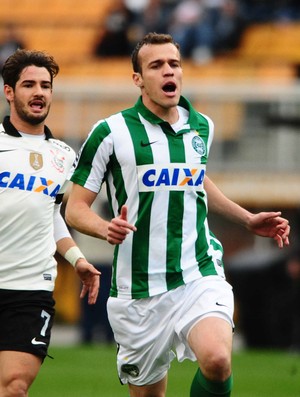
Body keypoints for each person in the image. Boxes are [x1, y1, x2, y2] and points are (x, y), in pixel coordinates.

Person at [65, 33, 290, 397]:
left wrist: (246, 218)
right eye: (156, 65)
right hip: (138, 290)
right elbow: (74, 208)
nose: (169, 71)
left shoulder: (201, 126)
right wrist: (106, 228)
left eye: (174, 63)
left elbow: (194, 179)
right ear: (138, 79)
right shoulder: (110, 133)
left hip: (196, 271)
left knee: (217, 360)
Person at [0, 49, 100, 397]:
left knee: (14, 386)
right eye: (29, 84)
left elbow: (52, 215)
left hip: (30, 288)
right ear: (9, 92)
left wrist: (78, 260)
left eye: (46, 85)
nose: (39, 92)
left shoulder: (64, 156)